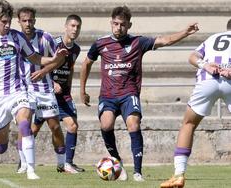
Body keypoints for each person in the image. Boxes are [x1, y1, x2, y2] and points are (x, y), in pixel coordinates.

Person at [80, 5, 199, 182]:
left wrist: (185, 32)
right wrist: (82, 90)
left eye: (122, 24)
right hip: (108, 95)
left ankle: (137, 172)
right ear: (111, 23)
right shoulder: (100, 43)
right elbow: (87, 63)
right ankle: (117, 162)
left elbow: (164, 40)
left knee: (133, 125)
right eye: (115, 23)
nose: (118, 27)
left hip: (129, 93)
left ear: (129, 25)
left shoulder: (138, 42)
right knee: (106, 125)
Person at [0, 0, 67, 180]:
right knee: (1, 148)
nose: (7, 25)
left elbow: (35, 58)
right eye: (3, 22)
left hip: (18, 90)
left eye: (9, 22)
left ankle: (30, 170)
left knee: (24, 123)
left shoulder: (17, 37)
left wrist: (53, 58)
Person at [160, 20, 231, 188]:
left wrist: (205, 65)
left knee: (188, 124)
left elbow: (192, 57)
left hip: (208, 79)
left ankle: (179, 175)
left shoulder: (213, 38)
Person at [15, 7, 66, 174]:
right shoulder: (14, 38)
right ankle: (23, 164)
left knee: (55, 126)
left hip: (44, 88)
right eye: (24, 20)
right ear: (19, 21)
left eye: (30, 20)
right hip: (23, 89)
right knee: (25, 125)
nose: (28, 23)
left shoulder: (45, 37)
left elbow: (60, 58)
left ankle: (61, 163)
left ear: (35, 20)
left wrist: (44, 71)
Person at [32, 14, 85, 173]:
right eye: (72, 26)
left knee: (73, 125)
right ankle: (23, 161)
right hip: (47, 92)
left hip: (63, 95)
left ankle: (67, 163)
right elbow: (44, 64)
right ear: (66, 27)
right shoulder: (53, 43)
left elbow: (70, 68)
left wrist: (68, 87)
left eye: (78, 27)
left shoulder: (76, 49)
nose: (75, 29)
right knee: (34, 129)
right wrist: (53, 83)